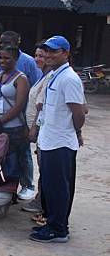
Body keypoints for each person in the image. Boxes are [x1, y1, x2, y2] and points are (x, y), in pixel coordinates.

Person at [30, 36, 85, 243]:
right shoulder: (55, 75)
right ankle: (53, 223)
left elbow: (78, 113)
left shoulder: (69, 78)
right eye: (47, 51)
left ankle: (58, 229)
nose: (49, 55)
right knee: (51, 186)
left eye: (54, 51)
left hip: (60, 142)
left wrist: (74, 131)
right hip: (50, 139)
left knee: (59, 187)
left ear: (65, 53)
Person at [0, 45, 32, 200]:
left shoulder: (21, 78)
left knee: (13, 160)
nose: (3, 61)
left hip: (13, 128)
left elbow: (19, 106)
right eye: (0, 58)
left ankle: (17, 189)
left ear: (16, 59)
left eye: (7, 58)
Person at [22, 42, 52, 217]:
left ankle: (43, 203)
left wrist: (34, 128)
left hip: (42, 129)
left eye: (42, 55)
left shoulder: (51, 78)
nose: (38, 59)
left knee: (45, 168)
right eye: (37, 55)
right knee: (43, 167)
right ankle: (41, 200)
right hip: (38, 130)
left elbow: (42, 107)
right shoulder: (43, 75)